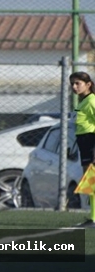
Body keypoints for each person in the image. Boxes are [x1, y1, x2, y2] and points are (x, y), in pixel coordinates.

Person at [70, 71, 95, 228]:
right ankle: (93, 217)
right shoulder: (83, 101)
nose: (74, 87)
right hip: (85, 142)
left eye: (77, 83)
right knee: (90, 182)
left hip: (92, 142)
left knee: (93, 181)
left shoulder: (92, 101)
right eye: (72, 84)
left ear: (88, 84)